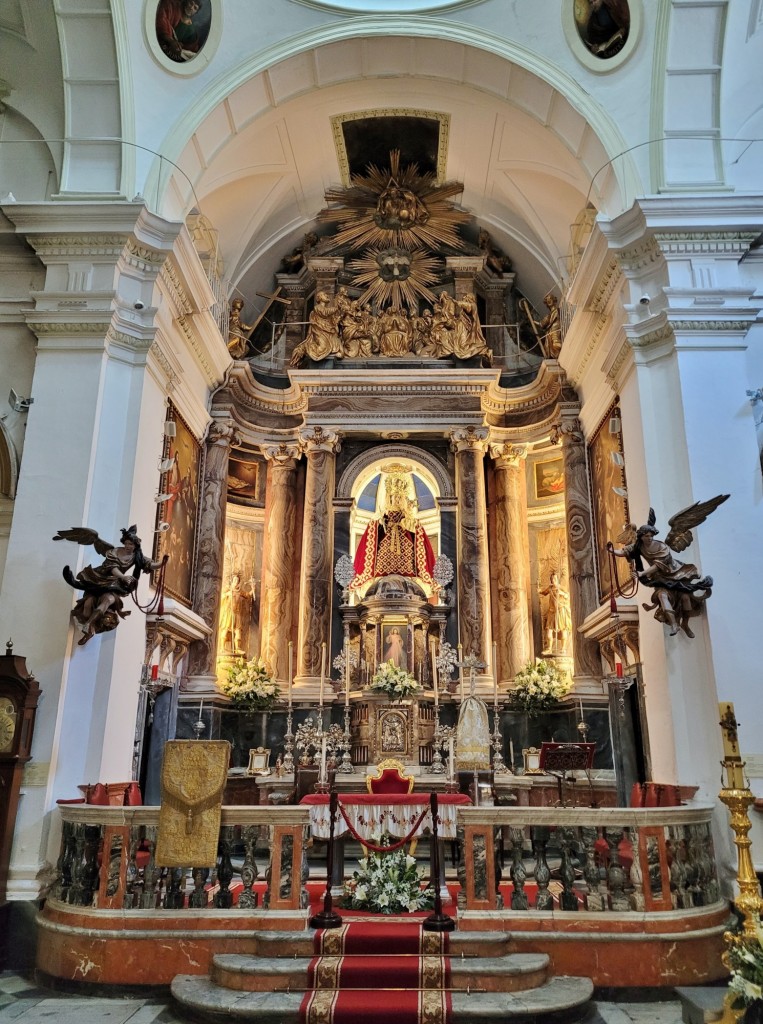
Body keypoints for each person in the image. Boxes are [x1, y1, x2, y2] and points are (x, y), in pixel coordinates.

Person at [54, 525, 163, 645]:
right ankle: (88, 628)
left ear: (136, 546)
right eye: (126, 543)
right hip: (99, 578)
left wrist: (162, 563)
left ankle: (89, 624)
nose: (128, 546)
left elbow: (150, 564)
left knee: (109, 600)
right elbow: (112, 568)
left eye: (131, 544)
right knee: (87, 603)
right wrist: (123, 577)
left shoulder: (137, 556)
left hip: (113, 585)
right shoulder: (114, 551)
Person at [607, 518, 714, 638]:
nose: (650, 538)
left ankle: (685, 624)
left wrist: (642, 574)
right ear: (641, 537)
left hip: (675, 574)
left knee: (685, 598)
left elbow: (658, 566)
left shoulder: (661, 546)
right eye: (647, 536)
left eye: (651, 535)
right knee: (662, 596)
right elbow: (625, 552)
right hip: (660, 579)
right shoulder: (638, 546)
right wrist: (611, 551)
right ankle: (674, 624)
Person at [540, 571, 572, 654]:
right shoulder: (550, 588)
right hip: (552, 611)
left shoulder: (561, 587)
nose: (553, 580)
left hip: (561, 610)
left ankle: (563, 648)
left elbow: (568, 596)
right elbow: (544, 593)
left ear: (557, 579)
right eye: (552, 579)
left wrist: (562, 593)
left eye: (554, 578)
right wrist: (539, 590)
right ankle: (549, 648)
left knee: (563, 630)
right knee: (549, 630)